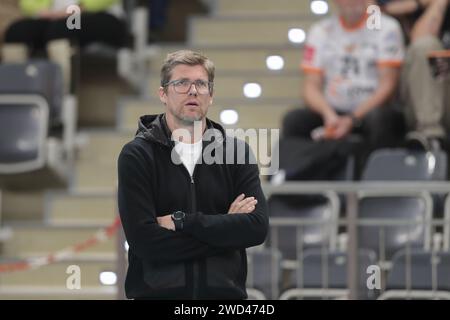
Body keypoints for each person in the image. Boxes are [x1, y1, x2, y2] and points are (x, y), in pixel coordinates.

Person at [117, 50, 269, 299]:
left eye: (201, 84)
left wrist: (182, 222)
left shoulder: (236, 152)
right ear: (163, 94)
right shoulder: (137, 155)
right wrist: (225, 232)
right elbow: (144, 242)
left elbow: (256, 228)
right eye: (181, 83)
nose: (193, 91)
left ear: (211, 95)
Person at [283, 0, 405, 159]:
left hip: (370, 111)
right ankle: (294, 177)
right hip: (332, 112)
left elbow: (388, 85)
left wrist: (352, 119)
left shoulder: (386, 27)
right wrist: (329, 115)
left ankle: (376, 179)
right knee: (294, 120)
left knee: (381, 120)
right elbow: (310, 86)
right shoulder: (321, 30)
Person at [1, 0, 127, 91]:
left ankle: (61, 100)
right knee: (16, 32)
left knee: (60, 30)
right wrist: (44, 12)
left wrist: (74, 9)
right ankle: (15, 95)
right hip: (54, 18)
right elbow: (27, 4)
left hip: (99, 15)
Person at [378, 0, 450, 146]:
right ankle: (431, 138)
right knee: (426, 48)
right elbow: (422, 39)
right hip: (411, 96)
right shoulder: (377, 11)